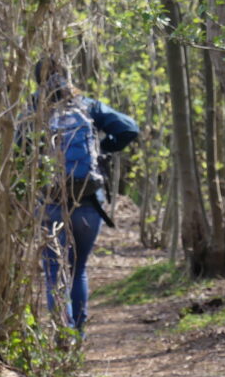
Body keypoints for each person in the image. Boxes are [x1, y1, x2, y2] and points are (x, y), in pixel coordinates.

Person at [20, 56, 139, 335]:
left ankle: (64, 332)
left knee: (54, 274)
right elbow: (129, 128)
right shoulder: (86, 105)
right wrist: (104, 149)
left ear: (38, 79)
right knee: (78, 269)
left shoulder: (33, 109)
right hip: (88, 202)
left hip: (50, 202)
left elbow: (19, 150)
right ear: (68, 75)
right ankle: (79, 336)